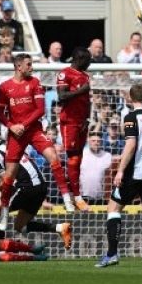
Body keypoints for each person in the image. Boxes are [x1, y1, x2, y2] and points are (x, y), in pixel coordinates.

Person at [0, 53, 75, 230]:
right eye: (28, 64)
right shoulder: (5, 87)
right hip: (15, 134)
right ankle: (4, 211)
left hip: (33, 130)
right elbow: (0, 113)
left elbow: (40, 110)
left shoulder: (35, 83)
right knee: (9, 176)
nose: (32, 67)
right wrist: (11, 126)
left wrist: (22, 125)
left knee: (53, 157)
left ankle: (67, 198)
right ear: (18, 66)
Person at [96, 84, 142, 268]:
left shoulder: (130, 117)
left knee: (113, 209)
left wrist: (120, 171)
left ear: (130, 98)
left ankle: (112, 254)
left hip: (134, 172)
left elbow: (130, 146)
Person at [0, 125, 72, 249]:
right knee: (20, 226)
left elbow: (7, 180)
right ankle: (60, 228)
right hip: (41, 186)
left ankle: (1, 249)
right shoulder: (10, 144)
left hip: (27, 186)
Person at [56, 47, 92, 212]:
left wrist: (87, 118)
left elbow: (87, 100)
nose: (90, 63)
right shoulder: (65, 73)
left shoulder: (85, 76)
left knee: (79, 158)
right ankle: (75, 196)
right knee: (73, 159)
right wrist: (80, 91)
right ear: (80, 59)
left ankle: (76, 195)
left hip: (82, 122)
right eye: (88, 60)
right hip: (69, 122)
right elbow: (62, 96)